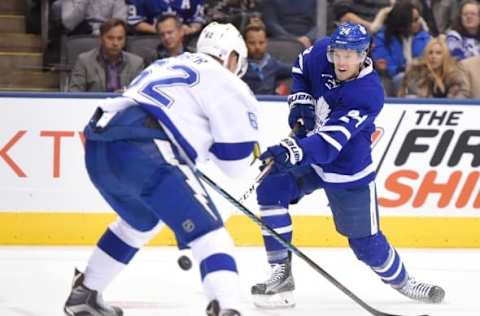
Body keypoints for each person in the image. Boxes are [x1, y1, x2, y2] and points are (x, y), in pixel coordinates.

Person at [63, 22, 258, 316]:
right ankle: (228, 306)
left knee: (139, 223)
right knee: (210, 233)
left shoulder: (167, 63)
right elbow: (234, 164)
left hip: (99, 144)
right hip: (145, 150)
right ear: (232, 57)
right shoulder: (228, 81)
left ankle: (84, 293)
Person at [249, 22, 446, 309]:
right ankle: (281, 272)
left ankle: (404, 281)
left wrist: (291, 150)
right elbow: (301, 67)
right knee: (270, 189)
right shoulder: (320, 53)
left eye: (349, 55)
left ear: (364, 53)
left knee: (365, 245)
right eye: (338, 54)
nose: (341, 61)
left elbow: (329, 145)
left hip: (347, 168)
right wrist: (301, 102)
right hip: (311, 155)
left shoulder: (368, 93)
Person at [68, 18, 144, 92]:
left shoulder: (136, 63)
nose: (115, 43)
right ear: (100, 39)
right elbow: (75, 93)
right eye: (110, 38)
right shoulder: (84, 61)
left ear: (125, 40)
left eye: (120, 38)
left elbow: (140, 94)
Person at [398, 36, 469, 98]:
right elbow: (415, 96)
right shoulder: (416, 73)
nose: (433, 56)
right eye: (430, 52)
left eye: (438, 53)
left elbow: (461, 95)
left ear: (445, 56)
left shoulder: (456, 75)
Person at [242, 23, 291, 95]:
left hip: (269, 104)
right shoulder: (239, 65)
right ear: (244, 43)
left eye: (261, 43)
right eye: (252, 43)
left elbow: (294, 69)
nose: (257, 47)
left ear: (266, 43)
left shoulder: (273, 64)